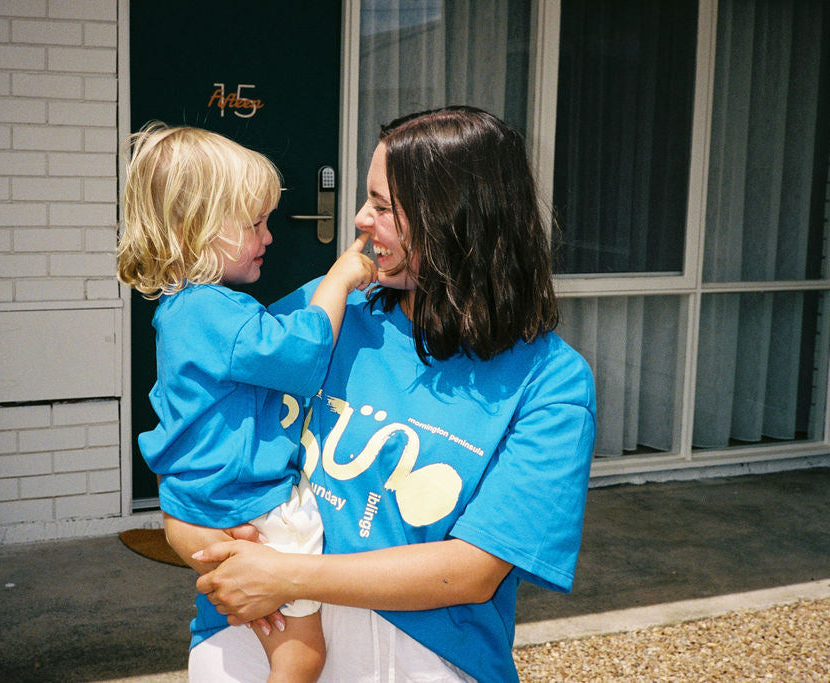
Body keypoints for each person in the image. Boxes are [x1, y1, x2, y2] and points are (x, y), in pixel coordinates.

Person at [165, 106, 597, 682]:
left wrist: (285, 576)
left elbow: (472, 571)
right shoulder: (322, 314)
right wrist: (195, 537)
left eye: (384, 206)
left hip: (421, 656)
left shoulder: (550, 381)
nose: (360, 219)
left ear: (459, 220)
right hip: (257, 634)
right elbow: (199, 449)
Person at [116, 122, 376, 683]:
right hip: (251, 504)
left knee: (253, 632)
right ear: (198, 229)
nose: (269, 236)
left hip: (199, 501)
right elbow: (305, 356)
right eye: (256, 223)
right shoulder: (215, 313)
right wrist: (340, 278)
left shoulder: (185, 309)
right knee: (301, 651)